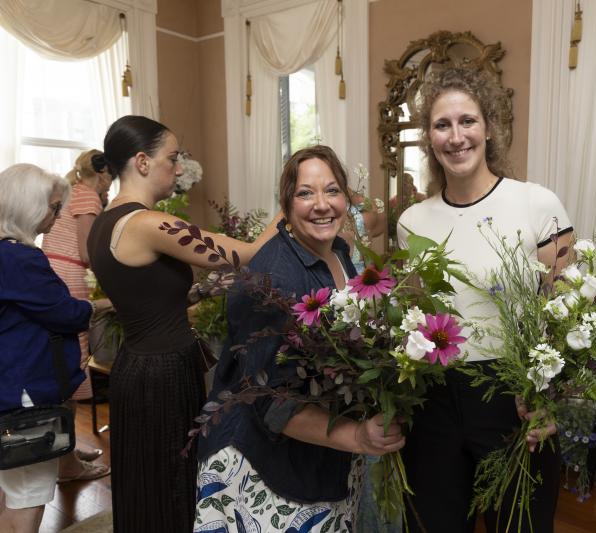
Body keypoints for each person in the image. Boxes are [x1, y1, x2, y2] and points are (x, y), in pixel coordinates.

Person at [396, 67, 574, 533]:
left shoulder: (537, 204)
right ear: (429, 138)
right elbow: (416, 318)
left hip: (514, 397)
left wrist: (549, 397)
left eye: (467, 121)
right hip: (433, 398)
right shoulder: (412, 221)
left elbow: (569, 315)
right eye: (442, 125)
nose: (456, 137)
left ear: (489, 127)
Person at [195, 145, 405, 532]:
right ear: (286, 204)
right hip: (264, 467)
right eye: (306, 193)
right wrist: (357, 436)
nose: (322, 204)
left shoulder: (338, 251)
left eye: (332, 190)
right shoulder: (273, 281)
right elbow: (270, 401)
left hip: (323, 453)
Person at [86, 115, 279, 533]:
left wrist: (198, 293)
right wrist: (291, 202)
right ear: (142, 161)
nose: (178, 169)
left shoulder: (104, 223)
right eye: (172, 158)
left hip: (135, 365)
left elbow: (142, 296)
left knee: (147, 483)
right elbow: (247, 253)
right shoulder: (149, 223)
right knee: (173, 484)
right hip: (164, 371)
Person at [0, 163, 109, 533]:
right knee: (26, 502)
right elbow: (66, 314)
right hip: (24, 395)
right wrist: (98, 306)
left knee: (9, 492)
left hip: (8, 385)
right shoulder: (20, 259)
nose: (58, 216)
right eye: (54, 207)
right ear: (29, 207)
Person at [41, 149, 113, 483]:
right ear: (104, 173)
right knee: (71, 362)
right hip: (69, 276)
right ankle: (67, 464)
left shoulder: (72, 191)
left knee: (63, 361)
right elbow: (87, 252)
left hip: (55, 271)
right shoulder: (88, 196)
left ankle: (66, 453)